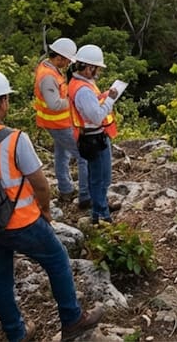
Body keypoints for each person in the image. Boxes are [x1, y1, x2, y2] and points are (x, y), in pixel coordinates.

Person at [0, 69, 103, 342]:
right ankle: (72, 319)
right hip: (21, 221)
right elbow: (40, 184)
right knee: (57, 261)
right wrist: (44, 211)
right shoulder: (14, 138)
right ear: (3, 102)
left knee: (0, 276)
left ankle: (15, 332)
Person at [67, 45, 119, 223]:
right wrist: (110, 100)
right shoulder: (83, 90)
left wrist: (103, 97)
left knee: (98, 176)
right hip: (93, 137)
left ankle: (100, 207)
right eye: (96, 68)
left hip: (92, 136)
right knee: (100, 177)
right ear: (89, 68)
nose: (98, 72)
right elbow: (96, 116)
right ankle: (101, 214)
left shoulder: (80, 84)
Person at [33, 37, 87, 206]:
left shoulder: (50, 69)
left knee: (62, 155)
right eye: (67, 60)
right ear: (60, 58)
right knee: (84, 156)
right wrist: (73, 98)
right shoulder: (48, 77)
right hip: (58, 124)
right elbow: (54, 104)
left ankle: (66, 190)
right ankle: (86, 195)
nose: (68, 64)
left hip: (56, 123)